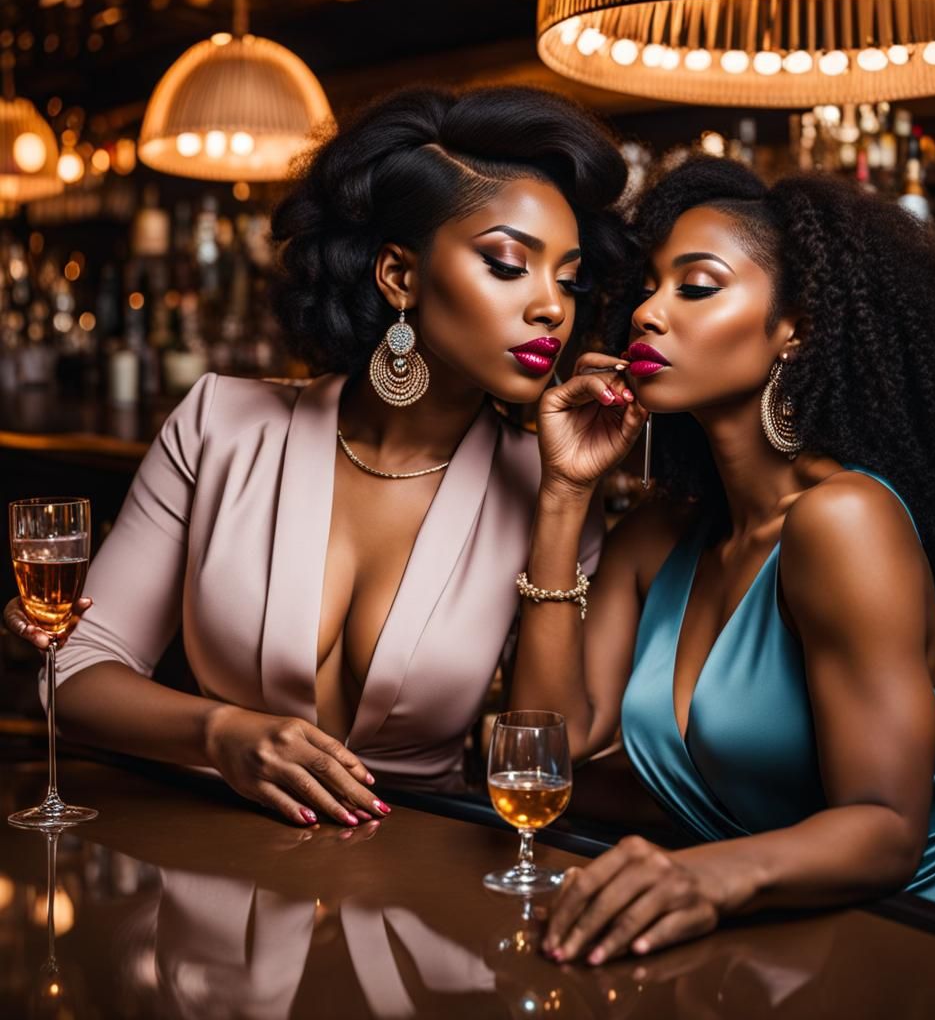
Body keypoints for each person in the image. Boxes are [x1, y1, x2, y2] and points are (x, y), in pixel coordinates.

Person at [3, 86, 624, 825]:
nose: (552, 306)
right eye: (508, 264)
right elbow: (71, 672)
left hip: (420, 882)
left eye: (569, 276)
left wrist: (562, 498)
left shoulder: (548, 489)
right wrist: (220, 733)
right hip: (212, 861)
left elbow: (545, 762)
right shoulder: (220, 425)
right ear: (400, 276)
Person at [510, 154, 935, 962]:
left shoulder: (842, 520)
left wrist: (704, 877)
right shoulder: (659, 534)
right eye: (648, 285)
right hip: (789, 945)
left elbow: (887, 829)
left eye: (697, 285)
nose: (646, 312)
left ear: (798, 327)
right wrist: (564, 493)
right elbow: (551, 747)